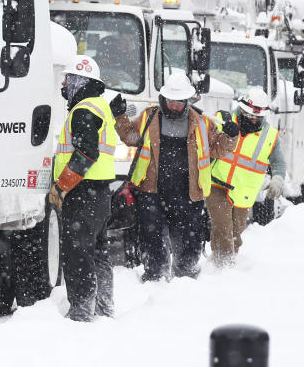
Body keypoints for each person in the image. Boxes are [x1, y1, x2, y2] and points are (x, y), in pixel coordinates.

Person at [111, 72, 237, 281]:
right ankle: (155, 279)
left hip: (189, 195)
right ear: (163, 99)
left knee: (189, 243)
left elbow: (218, 149)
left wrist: (231, 136)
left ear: (187, 101)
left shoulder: (203, 123)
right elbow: (131, 137)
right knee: (153, 241)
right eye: (170, 102)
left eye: (179, 103)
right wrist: (120, 116)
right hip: (152, 192)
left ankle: (185, 281)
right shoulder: (149, 117)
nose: (174, 107)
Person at [48, 55, 121, 321]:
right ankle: (103, 307)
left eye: (69, 80)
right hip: (99, 194)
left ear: (81, 81)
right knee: (98, 252)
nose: (65, 85)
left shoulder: (84, 110)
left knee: (78, 252)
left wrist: (61, 187)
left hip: (82, 193)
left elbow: (85, 154)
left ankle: (81, 311)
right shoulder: (100, 106)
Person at [206, 87, 286, 266]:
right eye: (248, 114)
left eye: (256, 117)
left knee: (235, 232)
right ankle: (224, 266)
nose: (252, 119)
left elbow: (279, 162)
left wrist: (277, 179)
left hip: (244, 191)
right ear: (241, 109)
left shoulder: (270, 135)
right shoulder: (222, 119)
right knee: (223, 225)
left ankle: (220, 261)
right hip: (217, 183)